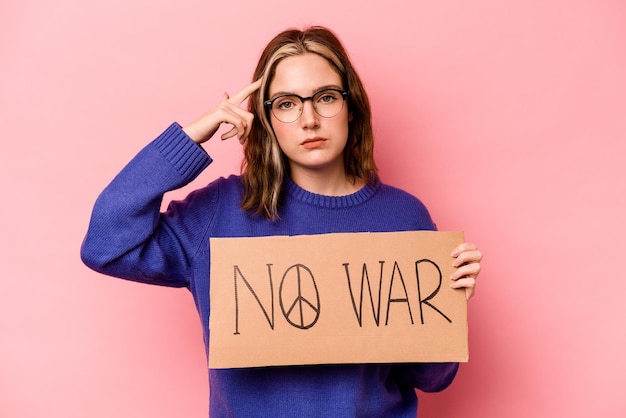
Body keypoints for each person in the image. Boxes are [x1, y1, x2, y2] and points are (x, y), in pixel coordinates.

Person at [81, 26, 483, 417]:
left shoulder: (404, 216)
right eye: (287, 103)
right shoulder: (221, 211)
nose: (309, 119)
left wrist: (447, 307)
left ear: (351, 106)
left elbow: (431, 379)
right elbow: (105, 244)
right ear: (267, 119)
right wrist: (187, 139)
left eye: (325, 97)